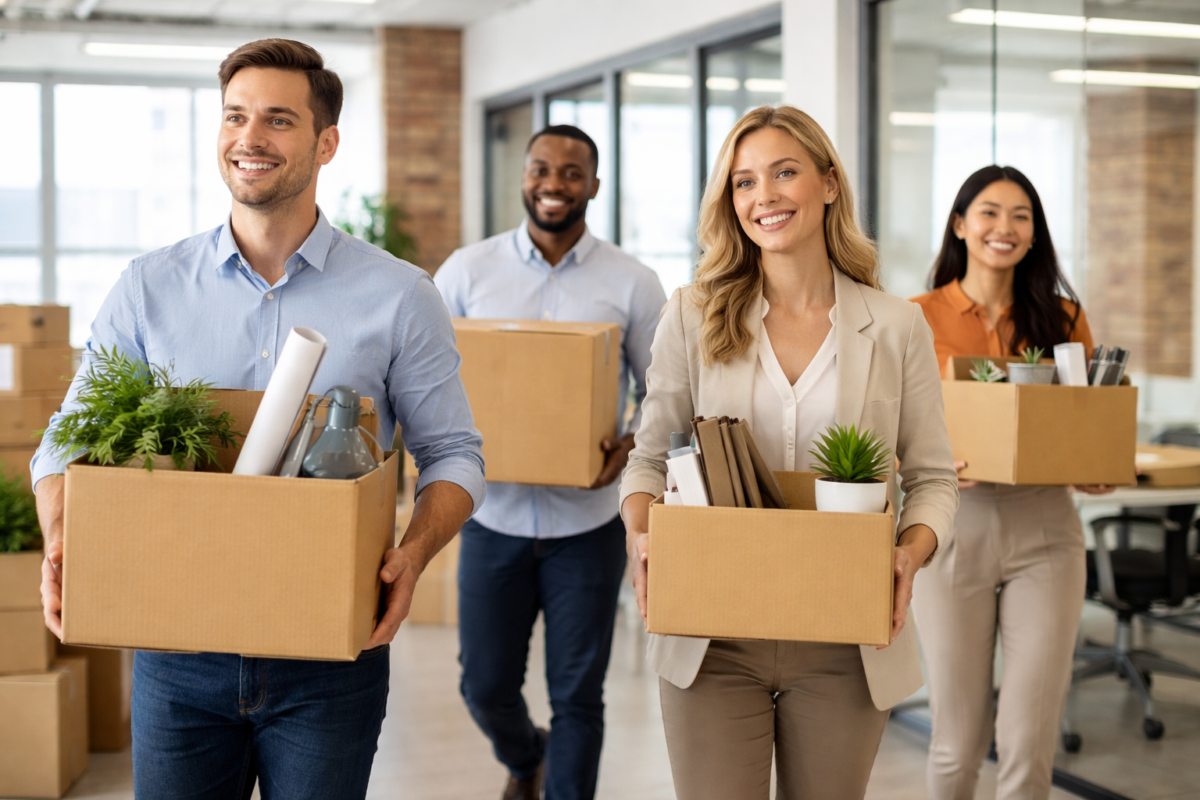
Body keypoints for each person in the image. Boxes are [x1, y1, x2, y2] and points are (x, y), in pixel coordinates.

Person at [33, 39, 485, 800]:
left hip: (329, 651)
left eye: (278, 120)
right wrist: (60, 533)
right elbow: (66, 441)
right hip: (178, 648)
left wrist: (413, 556)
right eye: (235, 117)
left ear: (326, 142)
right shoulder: (149, 287)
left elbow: (455, 456)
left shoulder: (400, 295)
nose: (250, 138)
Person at [619, 105, 959, 800]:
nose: (763, 197)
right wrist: (643, 533)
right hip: (713, 634)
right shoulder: (693, 312)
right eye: (743, 182)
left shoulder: (895, 326)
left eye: (783, 173)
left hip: (846, 637)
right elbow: (647, 458)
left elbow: (931, 479)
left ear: (829, 184)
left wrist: (909, 552)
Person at [434, 124, 666, 800]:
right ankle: (524, 755)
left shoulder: (632, 282)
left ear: (594, 186)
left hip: (587, 530)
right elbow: (426, 380)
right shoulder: (467, 272)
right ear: (524, 177)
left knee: (578, 697)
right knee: (485, 685)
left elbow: (664, 394)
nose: (554, 184)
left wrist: (626, 448)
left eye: (571, 173)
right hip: (492, 517)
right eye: (542, 168)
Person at [910, 164, 1113, 800]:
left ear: (1034, 234)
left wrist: (1095, 464)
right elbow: (886, 427)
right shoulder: (915, 317)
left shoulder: (1063, 320)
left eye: (1021, 216)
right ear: (961, 225)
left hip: (1046, 531)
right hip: (953, 532)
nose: (1005, 227)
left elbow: (1083, 421)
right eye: (991, 212)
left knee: (1029, 747)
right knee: (955, 744)